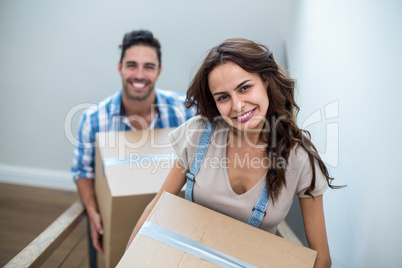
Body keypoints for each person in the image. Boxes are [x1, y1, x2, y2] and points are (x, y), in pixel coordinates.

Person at [127, 38, 340, 268]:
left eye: (245, 88)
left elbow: (321, 258)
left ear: (266, 82)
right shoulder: (198, 134)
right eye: (223, 97)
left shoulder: (300, 157)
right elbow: (155, 209)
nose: (237, 106)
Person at [71, 30, 195, 253]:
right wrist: (93, 212)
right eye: (131, 65)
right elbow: (83, 171)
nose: (139, 75)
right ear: (120, 68)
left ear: (159, 71)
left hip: (178, 221)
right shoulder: (93, 118)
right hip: (119, 223)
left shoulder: (185, 112)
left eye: (148, 66)